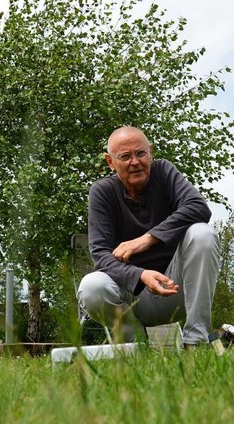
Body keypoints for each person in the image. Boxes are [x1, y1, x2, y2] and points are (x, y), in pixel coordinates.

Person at [77, 126, 221, 346]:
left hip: (178, 289)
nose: (135, 162)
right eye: (125, 156)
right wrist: (141, 275)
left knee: (202, 233)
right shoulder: (102, 192)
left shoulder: (163, 172)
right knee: (91, 286)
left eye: (140, 153)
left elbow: (198, 207)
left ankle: (196, 342)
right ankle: (135, 347)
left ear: (150, 152)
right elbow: (100, 255)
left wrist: (146, 239)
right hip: (132, 297)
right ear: (110, 162)